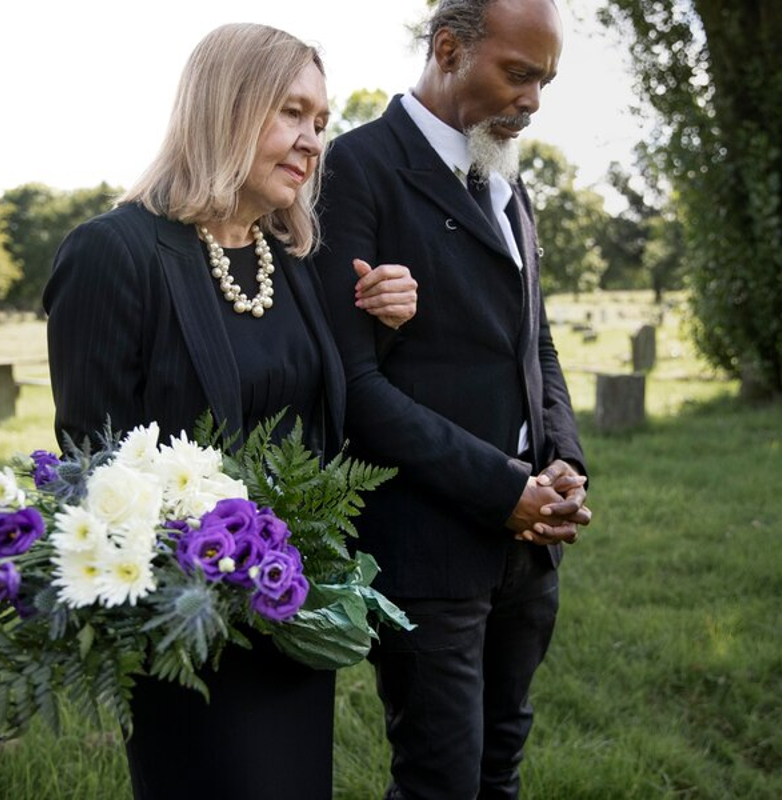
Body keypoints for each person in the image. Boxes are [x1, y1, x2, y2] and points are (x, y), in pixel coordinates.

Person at [43, 23, 418, 800]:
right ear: (225, 107)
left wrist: (387, 320)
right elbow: (92, 467)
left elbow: (326, 422)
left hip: (291, 611)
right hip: (193, 630)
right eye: (292, 112)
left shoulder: (293, 261)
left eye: (321, 121)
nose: (314, 141)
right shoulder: (115, 252)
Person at [312, 0, 591, 797]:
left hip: (529, 545)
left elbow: (534, 343)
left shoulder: (509, 181)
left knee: (500, 764)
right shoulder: (355, 172)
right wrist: (504, 489)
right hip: (425, 549)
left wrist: (563, 461)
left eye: (546, 81)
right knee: (440, 781)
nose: (533, 100)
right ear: (447, 49)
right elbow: (356, 390)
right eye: (518, 73)